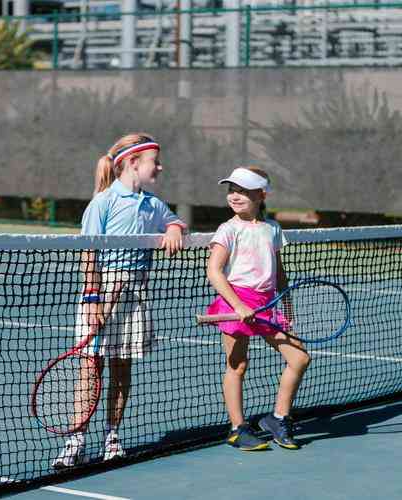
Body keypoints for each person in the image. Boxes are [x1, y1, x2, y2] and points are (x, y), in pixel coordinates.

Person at [52, 133, 187, 468]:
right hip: (99, 291)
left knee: (121, 367)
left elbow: (174, 221)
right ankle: (76, 441)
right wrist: (94, 298)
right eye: (154, 161)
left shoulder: (152, 204)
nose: (160, 166)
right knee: (89, 367)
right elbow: (89, 253)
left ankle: (112, 436)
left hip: (135, 293)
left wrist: (173, 228)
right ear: (132, 163)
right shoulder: (102, 202)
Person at [205, 166, 311, 451]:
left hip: (267, 305)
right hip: (235, 300)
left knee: (299, 358)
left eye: (242, 190)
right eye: (232, 190)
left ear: (261, 195)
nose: (235, 196)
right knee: (237, 365)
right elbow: (214, 271)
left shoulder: (272, 229)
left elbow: (279, 272)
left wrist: (286, 306)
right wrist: (237, 305)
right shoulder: (228, 229)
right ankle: (238, 428)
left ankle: (278, 418)